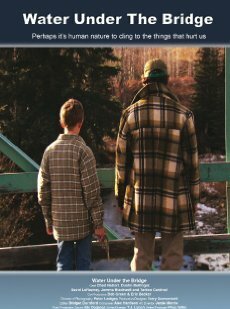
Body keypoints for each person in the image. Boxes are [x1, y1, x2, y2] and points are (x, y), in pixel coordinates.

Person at [115, 59, 200, 271]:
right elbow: (192, 163)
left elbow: (121, 161)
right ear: (167, 80)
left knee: (142, 255)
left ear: (144, 80)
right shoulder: (183, 115)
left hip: (141, 197)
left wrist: (120, 195)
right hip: (174, 196)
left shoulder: (130, 114)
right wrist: (194, 197)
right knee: (173, 257)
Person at [38, 98, 105, 271]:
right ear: (80, 122)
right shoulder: (84, 151)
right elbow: (91, 191)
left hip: (60, 222)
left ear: (62, 122)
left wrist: (48, 220)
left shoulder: (49, 151)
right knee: (83, 264)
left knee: (63, 264)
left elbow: (43, 191)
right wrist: (98, 225)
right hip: (82, 223)